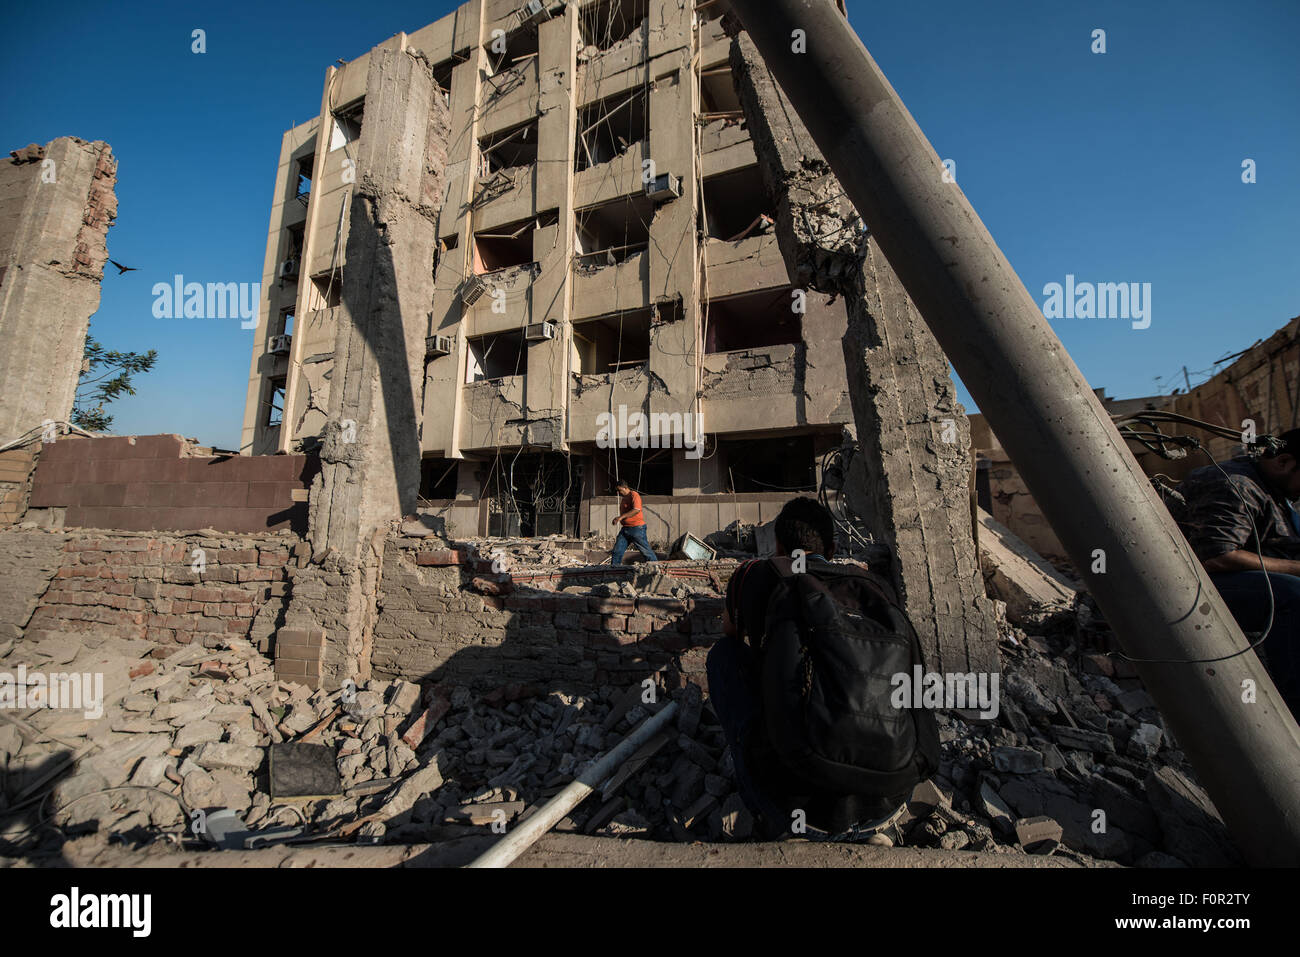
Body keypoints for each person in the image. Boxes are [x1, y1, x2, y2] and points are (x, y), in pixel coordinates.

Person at [707, 496, 922, 843]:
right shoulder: (874, 589)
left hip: (794, 811)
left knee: (722, 657)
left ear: (777, 545)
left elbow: (730, 636)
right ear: (833, 548)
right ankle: (866, 824)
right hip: (888, 802)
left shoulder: (755, 576)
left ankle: (778, 815)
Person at [1171, 429, 1300, 717]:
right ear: (1284, 462)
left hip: (1235, 581)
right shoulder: (1233, 483)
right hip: (1187, 590)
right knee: (1293, 596)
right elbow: (1217, 556)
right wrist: (1295, 569)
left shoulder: (1274, 490)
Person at [609, 478, 658, 565]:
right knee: (617, 551)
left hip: (636, 528)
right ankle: (614, 571)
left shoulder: (634, 495)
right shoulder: (624, 498)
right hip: (626, 529)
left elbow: (636, 510)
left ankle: (656, 568)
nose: (619, 492)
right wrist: (618, 519)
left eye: (619, 490)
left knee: (646, 552)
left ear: (624, 487)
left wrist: (620, 517)